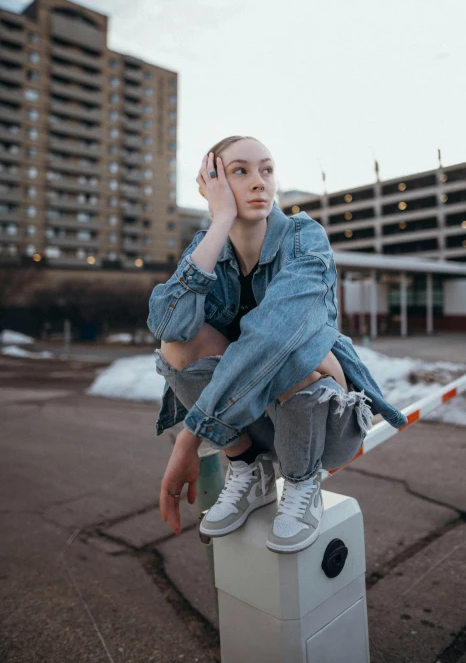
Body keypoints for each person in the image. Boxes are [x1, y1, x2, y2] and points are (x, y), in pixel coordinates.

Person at [147, 135, 407, 553]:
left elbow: (276, 335)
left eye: (266, 169)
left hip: (324, 426)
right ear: (212, 184)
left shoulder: (305, 239)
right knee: (178, 345)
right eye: (240, 171)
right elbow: (166, 323)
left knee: (293, 350)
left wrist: (190, 436)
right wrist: (218, 225)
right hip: (251, 422)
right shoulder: (206, 248)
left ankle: (304, 485)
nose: (259, 182)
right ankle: (249, 467)